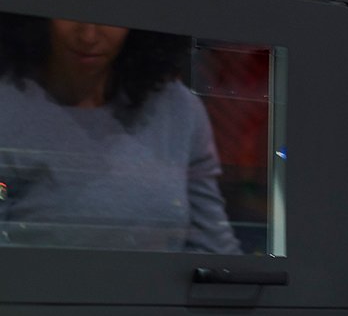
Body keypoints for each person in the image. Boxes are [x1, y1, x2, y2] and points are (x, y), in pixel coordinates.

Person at [0, 14, 242, 254]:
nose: (88, 36)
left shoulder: (176, 107)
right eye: (69, 14)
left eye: (108, 16)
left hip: (156, 291)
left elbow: (215, 250)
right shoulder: (7, 104)